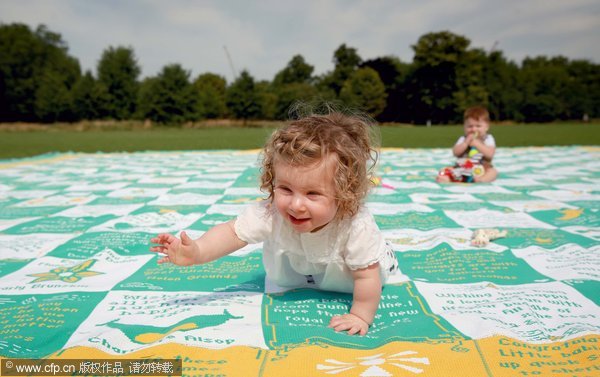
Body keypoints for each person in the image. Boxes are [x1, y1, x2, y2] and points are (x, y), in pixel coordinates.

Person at [150, 109, 398, 336]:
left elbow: (367, 279)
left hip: (360, 273)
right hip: (309, 269)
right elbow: (231, 233)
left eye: (312, 194)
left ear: (346, 194)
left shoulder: (355, 227)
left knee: (373, 265)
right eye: (286, 189)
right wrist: (197, 252)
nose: (296, 205)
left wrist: (359, 316)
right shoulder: (272, 213)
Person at [436, 106, 498, 183]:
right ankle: (449, 179)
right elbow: (456, 152)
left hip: (482, 169)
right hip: (463, 168)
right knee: (445, 170)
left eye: (478, 126)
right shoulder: (463, 139)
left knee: (493, 172)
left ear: (486, 127)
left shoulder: (488, 138)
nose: (474, 129)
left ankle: (481, 180)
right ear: (464, 127)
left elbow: (490, 154)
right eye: (470, 126)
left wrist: (477, 144)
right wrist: (466, 143)